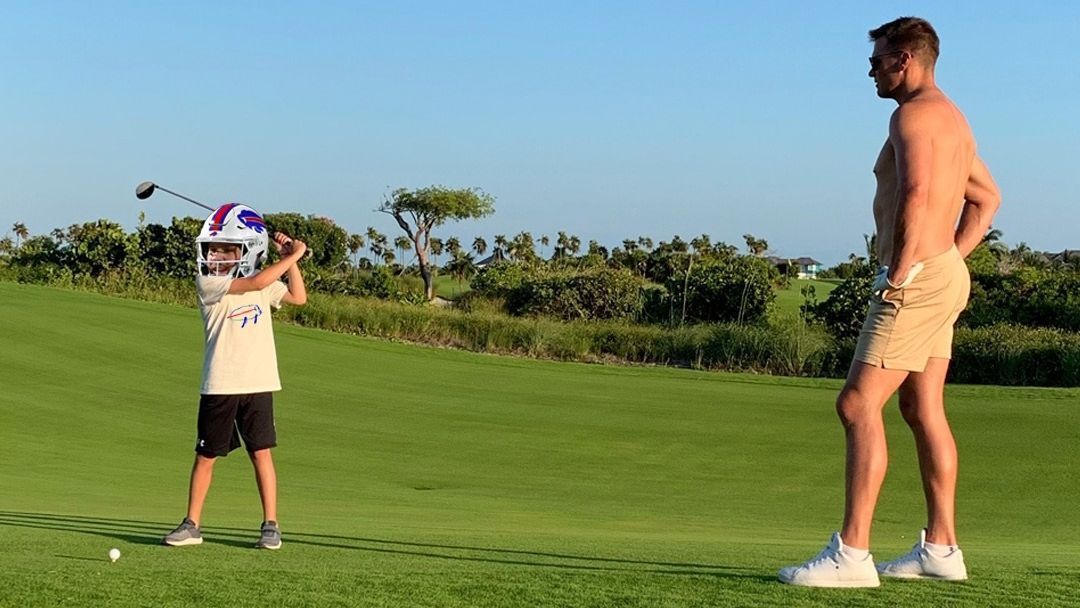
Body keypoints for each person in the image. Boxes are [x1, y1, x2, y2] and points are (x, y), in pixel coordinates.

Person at [779, 17, 1001, 587]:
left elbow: (918, 190)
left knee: (856, 405)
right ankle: (941, 549)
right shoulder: (952, 118)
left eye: (877, 60)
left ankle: (851, 555)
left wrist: (903, 268)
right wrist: (950, 257)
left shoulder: (912, 115)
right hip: (943, 275)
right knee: (920, 408)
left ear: (905, 58)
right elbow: (987, 199)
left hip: (917, 280)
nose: (871, 70)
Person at [162, 203, 308, 550]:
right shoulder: (210, 282)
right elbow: (258, 279)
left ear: (246, 252)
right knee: (205, 456)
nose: (215, 256)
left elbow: (298, 297)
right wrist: (294, 253)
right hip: (220, 383)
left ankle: (271, 526)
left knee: (261, 454)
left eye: (226, 250)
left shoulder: (263, 286)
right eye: (213, 250)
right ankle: (191, 525)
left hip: (258, 383)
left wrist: (293, 259)